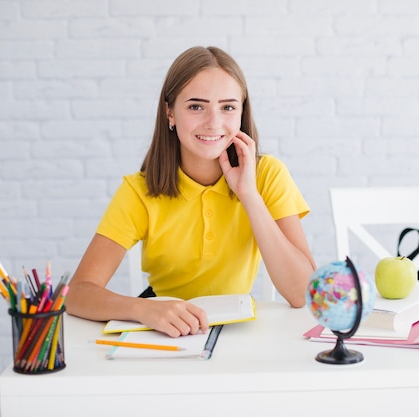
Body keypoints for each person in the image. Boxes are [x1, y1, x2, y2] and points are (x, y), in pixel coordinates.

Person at [66, 46, 316, 338]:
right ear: (169, 112)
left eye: (228, 107)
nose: (213, 122)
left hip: (242, 332)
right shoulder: (139, 191)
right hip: (165, 331)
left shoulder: (268, 175)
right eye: (196, 106)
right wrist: (142, 308)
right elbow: (78, 294)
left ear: (242, 112)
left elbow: (303, 293)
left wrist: (249, 194)